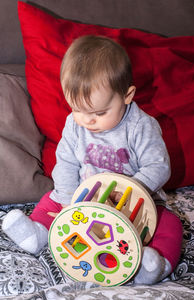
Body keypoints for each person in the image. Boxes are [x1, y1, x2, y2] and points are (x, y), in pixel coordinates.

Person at [2, 35, 182, 285]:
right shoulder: (74, 125)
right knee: (49, 201)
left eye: (99, 113)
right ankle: (37, 235)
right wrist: (67, 201)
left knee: (170, 224)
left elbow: (159, 166)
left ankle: (155, 265)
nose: (88, 120)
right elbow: (65, 163)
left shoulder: (142, 126)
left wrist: (128, 192)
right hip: (81, 199)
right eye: (77, 110)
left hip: (135, 202)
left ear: (127, 95)